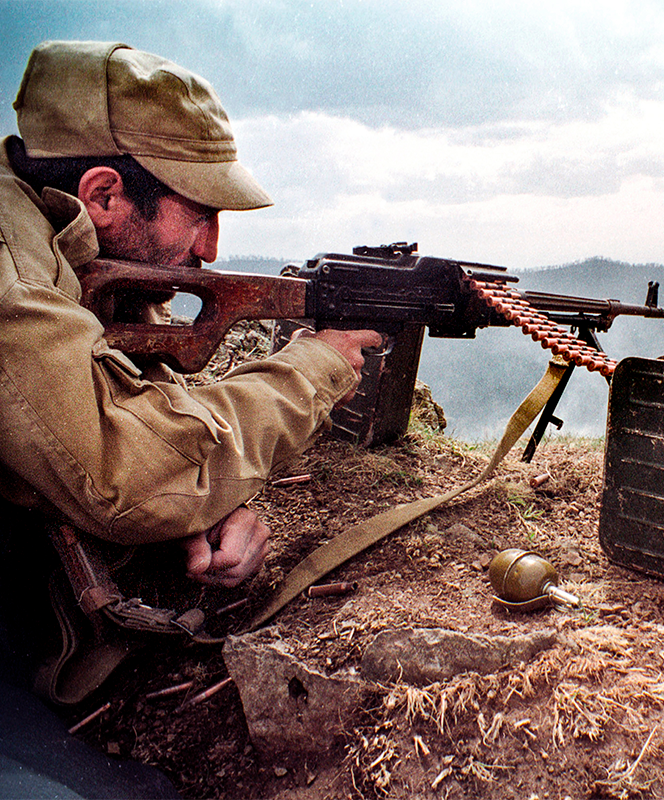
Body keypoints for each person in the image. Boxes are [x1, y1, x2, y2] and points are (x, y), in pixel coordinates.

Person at [0, 41, 381, 797]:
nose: (209, 249)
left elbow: (130, 405)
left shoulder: (57, 237)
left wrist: (217, 500)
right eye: (201, 214)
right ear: (105, 194)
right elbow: (119, 474)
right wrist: (313, 368)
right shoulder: (8, 271)